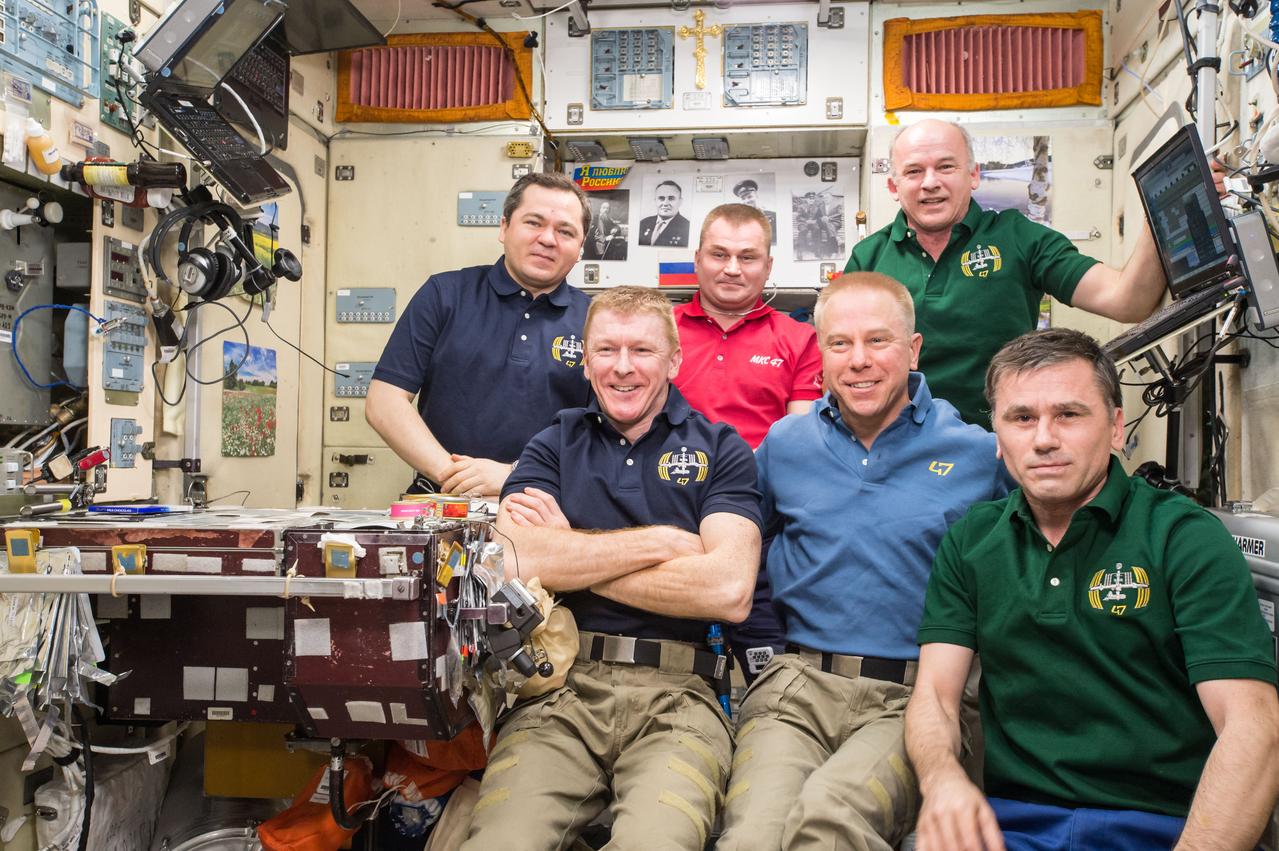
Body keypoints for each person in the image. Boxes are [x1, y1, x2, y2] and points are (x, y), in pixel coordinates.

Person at [906, 328, 1279, 851]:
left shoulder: (1182, 536)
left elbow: (1252, 727)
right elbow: (936, 700)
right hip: (1012, 827)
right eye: (1021, 418)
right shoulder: (971, 541)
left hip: (1170, 827)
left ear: (1116, 428)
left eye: (1069, 414)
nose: (1043, 439)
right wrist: (942, 778)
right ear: (997, 436)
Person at [461, 286, 763, 849]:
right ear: (586, 358)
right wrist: (669, 542)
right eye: (606, 350)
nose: (622, 368)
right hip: (558, 692)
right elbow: (514, 559)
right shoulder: (553, 443)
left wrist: (569, 549)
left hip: (681, 700)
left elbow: (727, 590)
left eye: (642, 351)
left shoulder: (722, 449)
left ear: (674, 360)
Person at [717, 272, 1010, 851]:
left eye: (878, 341)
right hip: (795, 690)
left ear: (913, 348)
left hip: (913, 697)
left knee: (829, 823)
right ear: (820, 352)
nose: (858, 362)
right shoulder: (784, 445)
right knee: (750, 837)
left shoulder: (978, 453)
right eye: (839, 344)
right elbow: (739, 554)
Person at [845, 118, 1167, 427]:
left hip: (1001, 450)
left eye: (946, 167)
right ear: (893, 185)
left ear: (973, 175)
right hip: (900, 447)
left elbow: (1126, 300)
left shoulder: (1018, 237)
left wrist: (1161, 213)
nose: (930, 182)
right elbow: (842, 360)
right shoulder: (869, 257)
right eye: (914, 171)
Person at [365, 172, 592, 497]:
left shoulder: (596, 322)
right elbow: (384, 401)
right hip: (443, 500)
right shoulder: (444, 295)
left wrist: (514, 475)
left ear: (580, 248)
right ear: (504, 228)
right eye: (533, 222)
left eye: (565, 231)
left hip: (547, 508)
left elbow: (606, 431)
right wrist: (457, 476)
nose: (547, 239)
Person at [674, 202, 823, 679]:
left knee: (763, 682)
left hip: (758, 526)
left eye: (747, 256)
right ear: (697, 259)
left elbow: (795, 440)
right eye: (719, 254)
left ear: (768, 266)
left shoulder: (800, 339)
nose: (732, 269)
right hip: (668, 517)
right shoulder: (660, 329)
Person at [638, 180, 691, 246]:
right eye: (661, 198)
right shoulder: (643, 223)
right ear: (655, 201)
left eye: (671, 198)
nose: (665, 203)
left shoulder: (687, 227)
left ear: (680, 201)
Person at [732, 178, 777, 245]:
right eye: (743, 198)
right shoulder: (737, 222)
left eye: (749, 197)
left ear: (756, 196)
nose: (747, 201)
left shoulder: (773, 216)